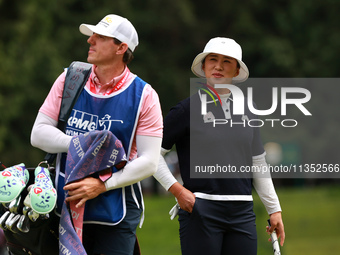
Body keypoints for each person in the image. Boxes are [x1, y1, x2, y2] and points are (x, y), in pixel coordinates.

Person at [31, 14, 163, 255]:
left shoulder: (145, 95)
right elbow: (38, 134)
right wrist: (84, 144)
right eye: (92, 35)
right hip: (62, 205)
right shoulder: (70, 79)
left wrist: (102, 185)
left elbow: (149, 162)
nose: (90, 40)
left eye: (100, 37)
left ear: (121, 48)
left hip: (116, 210)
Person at [154, 37, 285, 255]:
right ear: (204, 66)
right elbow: (152, 155)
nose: (218, 66)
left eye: (227, 61)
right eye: (212, 59)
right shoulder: (185, 110)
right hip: (200, 211)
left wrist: (275, 209)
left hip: (242, 212)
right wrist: (177, 191)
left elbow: (258, 163)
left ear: (236, 71)